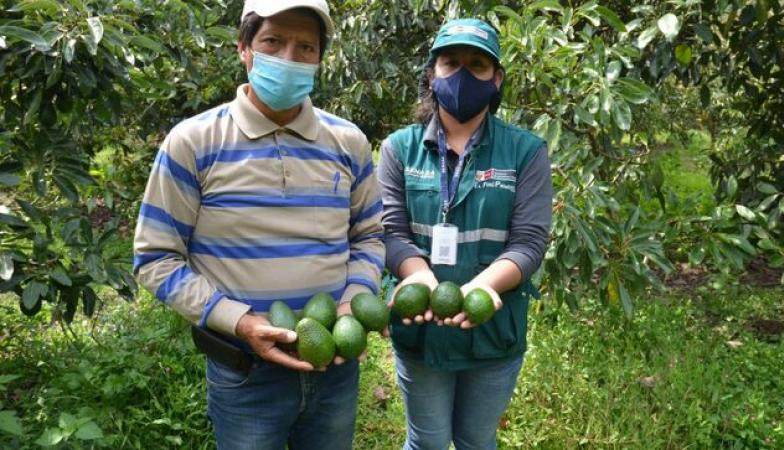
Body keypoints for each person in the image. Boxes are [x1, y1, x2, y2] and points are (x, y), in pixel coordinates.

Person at [133, 1, 384, 448]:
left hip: (336, 367)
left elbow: (368, 234)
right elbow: (155, 257)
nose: (289, 57)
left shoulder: (348, 142)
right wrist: (238, 320)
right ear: (244, 49)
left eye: (305, 46)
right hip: (246, 373)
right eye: (273, 41)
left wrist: (356, 296)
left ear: (320, 59)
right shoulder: (193, 141)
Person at [377, 18, 553, 450]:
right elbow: (390, 230)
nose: (461, 74)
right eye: (450, 62)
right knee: (428, 442)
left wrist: (483, 286)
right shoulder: (399, 148)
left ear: (497, 80)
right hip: (422, 330)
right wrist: (418, 277)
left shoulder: (525, 150)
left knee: (476, 440)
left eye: (476, 65)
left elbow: (530, 240)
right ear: (431, 75)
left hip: (494, 327)